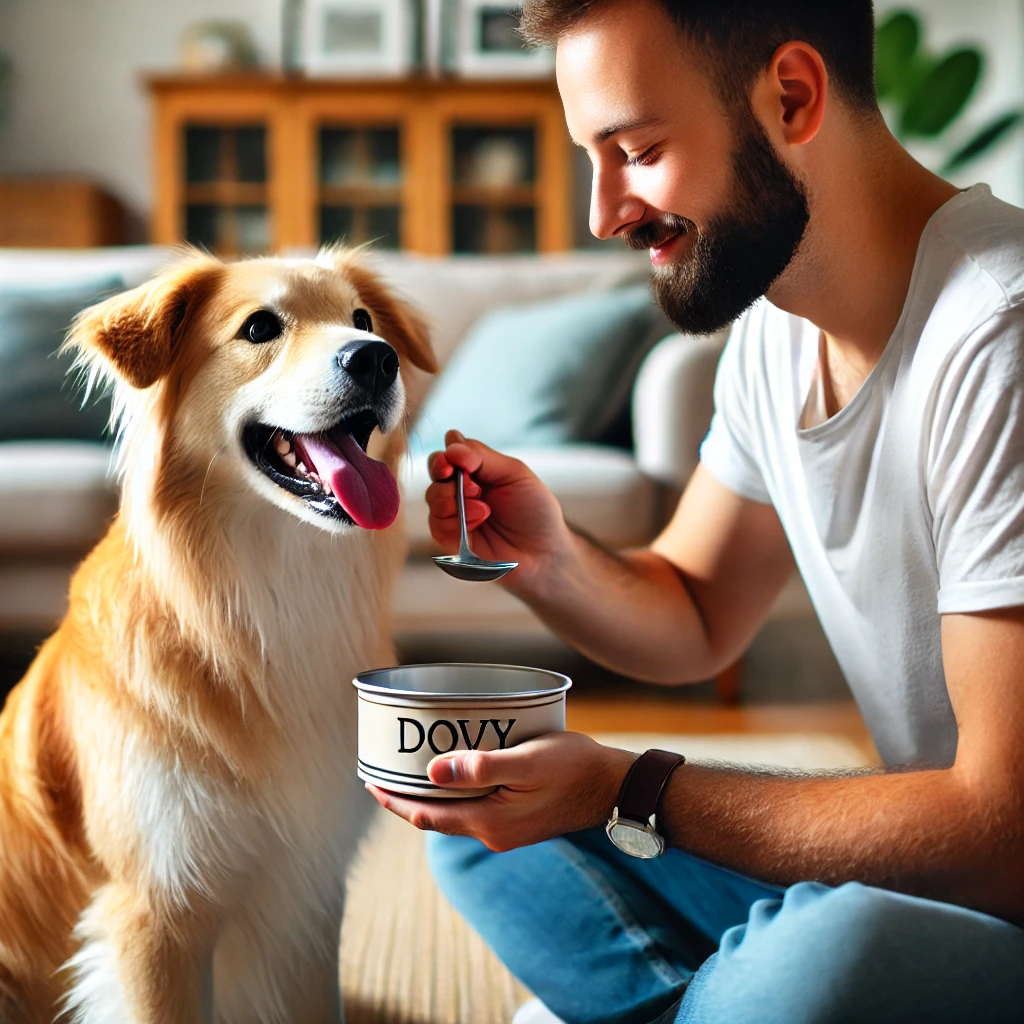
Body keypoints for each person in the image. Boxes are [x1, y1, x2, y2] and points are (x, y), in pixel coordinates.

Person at [367, 1, 1024, 1021]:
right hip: (935, 878)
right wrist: (551, 557)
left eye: (636, 150)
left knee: (816, 958)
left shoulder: (998, 332)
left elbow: (1002, 831)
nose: (603, 212)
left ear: (791, 97)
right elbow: (693, 610)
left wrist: (630, 787)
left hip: (1000, 883)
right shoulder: (774, 334)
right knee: (486, 819)